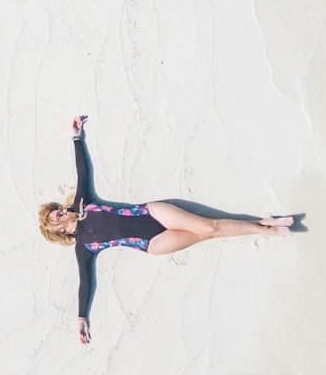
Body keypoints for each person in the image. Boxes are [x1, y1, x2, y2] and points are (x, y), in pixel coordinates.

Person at [39, 116, 293, 344]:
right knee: (209, 233)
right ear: (59, 229)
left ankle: (266, 225)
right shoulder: (84, 246)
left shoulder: (83, 203)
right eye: (57, 215)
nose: (62, 210)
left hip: (150, 212)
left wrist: (76, 137)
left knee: (209, 224)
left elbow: (81, 171)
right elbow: (85, 281)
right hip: (152, 243)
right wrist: (81, 317)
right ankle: (263, 228)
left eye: (58, 208)